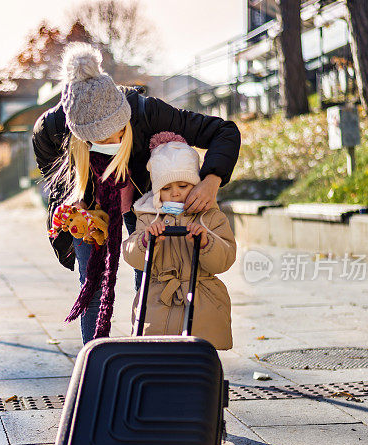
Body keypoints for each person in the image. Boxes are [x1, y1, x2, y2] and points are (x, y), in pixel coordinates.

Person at [32, 43, 240, 344]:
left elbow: (224, 131)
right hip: (90, 210)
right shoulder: (51, 128)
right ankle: (95, 359)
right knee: (92, 285)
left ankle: (149, 350)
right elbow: (51, 173)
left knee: (151, 278)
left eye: (116, 134)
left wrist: (211, 180)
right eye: (96, 140)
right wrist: (71, 198)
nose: (110, 143)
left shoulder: (147, 112)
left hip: (142, 203)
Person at [122, 132, 236, 350]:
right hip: (157, 298)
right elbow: (131, 253)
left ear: (196, 184)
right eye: (166, 188)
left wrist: (206, 242)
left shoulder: (210, 216)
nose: (175, 194)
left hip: (202, 299)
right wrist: (146, 241)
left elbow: (225, 258)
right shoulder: (148, 216)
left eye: (183, 186)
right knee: (157, 353)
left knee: (198, 354)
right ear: (157, 192)